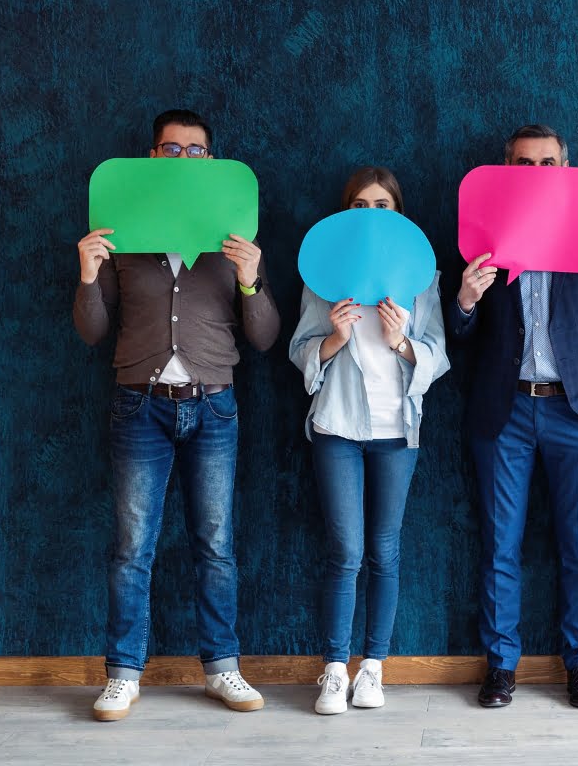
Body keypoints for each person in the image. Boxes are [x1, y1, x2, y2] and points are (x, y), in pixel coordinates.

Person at [74, 109, 279, 721]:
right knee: (132, 546)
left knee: (215, 544)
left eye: (196, 150)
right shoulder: (123, 237)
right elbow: (92, 330)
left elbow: (264, 338)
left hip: (214, 407)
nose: (184, 158)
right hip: (138, 406)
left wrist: (250, 279)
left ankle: (222, 668)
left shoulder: (233, 238)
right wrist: (88, 275)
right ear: (152, 156)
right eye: (171, 148)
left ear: (210, 160)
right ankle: (122, 674)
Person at [445, 124, 578, 709]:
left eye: (547, 163)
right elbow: (459, 336)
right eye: (523, 164)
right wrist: (466, 300)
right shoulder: (483, 236)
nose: (535, 173)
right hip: (504, 414)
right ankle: (501, 666)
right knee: (500, 543)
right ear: (506, 168)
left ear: (565, 167)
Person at [289, 167, 449, 715]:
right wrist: (333, 337)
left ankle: (373, 668)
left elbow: (438, 355)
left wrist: (402, 341)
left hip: (397, 432)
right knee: (347, 551)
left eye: (383, 205)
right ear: (345, 213)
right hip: (337, 428)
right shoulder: (321, 275)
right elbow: (299, 350)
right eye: (361, 204)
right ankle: (334, 668)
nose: (372, 213)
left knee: (385, 550)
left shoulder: (423, 277)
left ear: (397, 214)